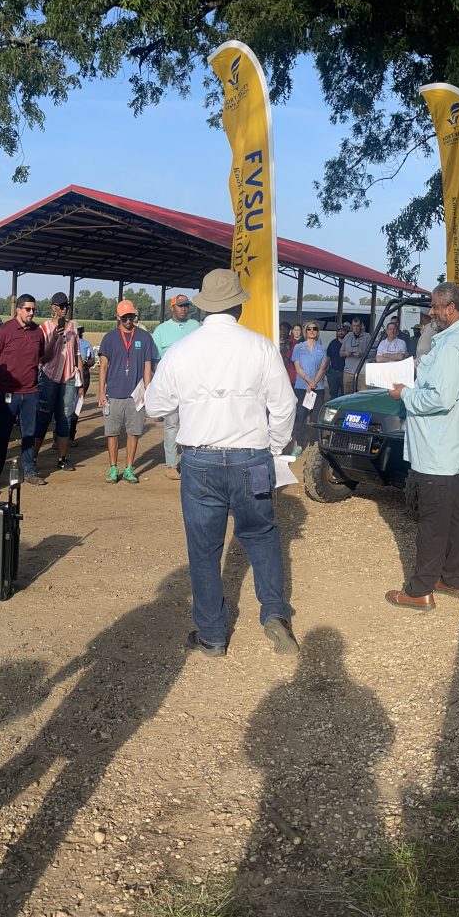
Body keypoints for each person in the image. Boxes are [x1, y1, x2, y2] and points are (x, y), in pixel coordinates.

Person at [144, 269, 298, 658]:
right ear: (238, 307)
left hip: (200, 460)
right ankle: (274, 613)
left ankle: (212, 635)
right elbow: (284, 405)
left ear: (203, 307)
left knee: (204, 548)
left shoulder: (182, 350)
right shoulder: (261, 347)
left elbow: (155, 406)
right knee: (262, 536)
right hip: (252, 457)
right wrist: (273, 447)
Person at [385, 285, 459, 610]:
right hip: (453, 446)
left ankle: (420, 590)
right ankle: (454, 578)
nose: (431, 312)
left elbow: (440, 398)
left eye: (435, 307)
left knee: (432, 521)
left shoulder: (454, 346)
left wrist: (405, 394)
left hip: (440, 449)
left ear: (450, 308)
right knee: (455, 515)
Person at [0, 294, 47, 485]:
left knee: (29, 434)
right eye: (28, 309)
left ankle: (30, 472)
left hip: (31, 392)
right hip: (7, 392)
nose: (31, 313)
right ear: (18, 310)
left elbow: (41, 356)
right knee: (1, 435)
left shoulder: (38, 332)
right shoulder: (3, 331)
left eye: (33, 309)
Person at [96, 300, 157, 482]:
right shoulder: (109, 338)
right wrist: (101, 392)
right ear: (118, 317)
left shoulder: (144, 337)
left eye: (131, 316)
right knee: (112, 433)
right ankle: (113, 468)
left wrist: (147, 391)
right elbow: (103, 367)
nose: (129, 320)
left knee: (134, 432)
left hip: (135, 395)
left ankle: (129, 468)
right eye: (125, 317)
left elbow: (148, 365)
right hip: (114, 394)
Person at [152, 294, 202, 477]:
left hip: (193, 385)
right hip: (171, 386)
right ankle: (171, 465)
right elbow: (155, 360)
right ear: (172, 307)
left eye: (186, 306)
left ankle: (192, 462)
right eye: (180, 306)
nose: (184, 309)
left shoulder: (195, 327)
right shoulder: (161, 331)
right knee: (172, 425)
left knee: (193, 423)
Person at [35, 294, 82, 473]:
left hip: (68, 377)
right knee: (43, 417)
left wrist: (80, 380)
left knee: (65, 418)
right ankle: (33, 458)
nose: (64, 309)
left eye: (66, 306)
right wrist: (55, 337)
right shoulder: (44, 328)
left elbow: (77, 353)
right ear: (53, 307)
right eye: (61, 306)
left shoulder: (72, 327)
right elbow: (43, 358)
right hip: (49, 377)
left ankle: (62, 458)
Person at [288, 322, 327, 447]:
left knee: (315, 418)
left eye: (314, 328)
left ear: (317, 331)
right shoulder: (298, 347)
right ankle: (299, 444)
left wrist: (314, 382)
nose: (311, 330)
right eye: (309, 329)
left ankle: (313, 445)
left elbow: (322, 368)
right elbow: (297, 368)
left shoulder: (322, 348)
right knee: (301, 416)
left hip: (318, 388)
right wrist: (309, 381)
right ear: (305, 331)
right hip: (301, 387)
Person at [339, 318, 373, 393]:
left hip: (362, 372)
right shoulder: (347, 337)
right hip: (348, 372)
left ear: (361, 326)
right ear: (352, 326)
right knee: (347, 395)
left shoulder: (367, 336)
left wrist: (362, 354)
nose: (356, 328)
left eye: (357, 326)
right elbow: (341, 353)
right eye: (354, 326)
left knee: (363, 395)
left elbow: (373, 352)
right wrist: (345, 353)